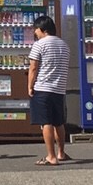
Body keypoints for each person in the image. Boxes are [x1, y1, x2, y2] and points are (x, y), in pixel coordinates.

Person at [26, 14, 70, 165]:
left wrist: (30, 86)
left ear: (42, 29)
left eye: (36, 30)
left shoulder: (39, 44)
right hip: (59, 89)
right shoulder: (64, 45)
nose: (35, 33)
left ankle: (51, 156)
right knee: (59, 122)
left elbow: (33, 67)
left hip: (43, 88)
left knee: (46, 123)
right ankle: (61, 153)